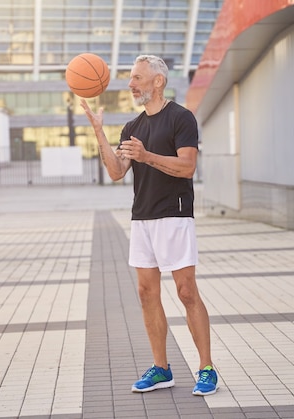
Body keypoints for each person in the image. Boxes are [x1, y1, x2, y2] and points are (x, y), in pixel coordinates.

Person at [80, 55, 218, 396]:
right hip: (142, 218)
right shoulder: (132, 128)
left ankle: (206, 368)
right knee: (146, 293)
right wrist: (99, 133)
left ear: (158, 81)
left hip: (175, 214)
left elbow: (187, 167)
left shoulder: (181, 118)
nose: (131, 84)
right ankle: (161, 368)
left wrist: (147, 157)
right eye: (130, 78)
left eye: (137, 78)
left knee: (186, 292)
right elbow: (116, 172)